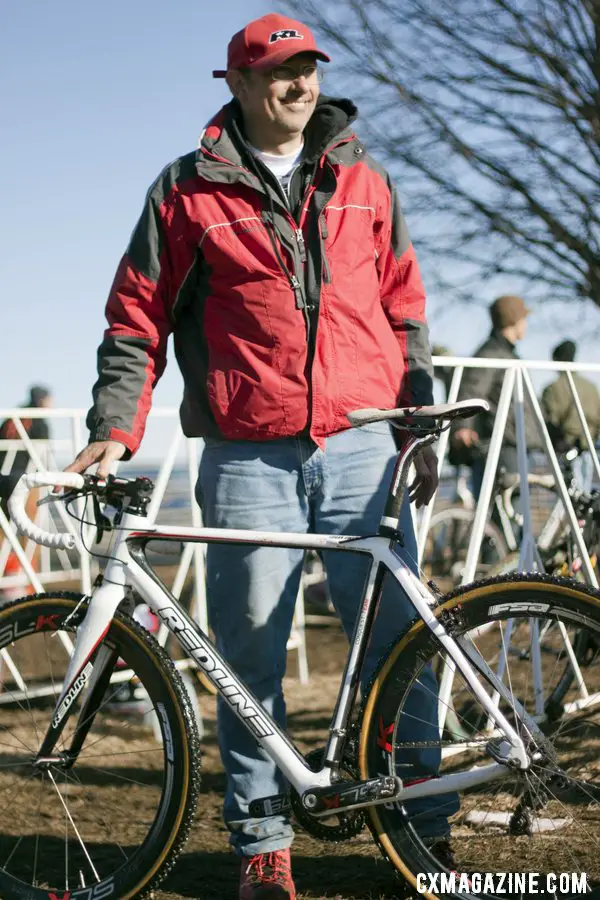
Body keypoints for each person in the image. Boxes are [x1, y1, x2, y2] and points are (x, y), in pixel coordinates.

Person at [63, 14, 457, 898]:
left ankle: (425, 828)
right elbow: (136, 319)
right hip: (248, 455)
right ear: (237, 84)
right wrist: (113, 426)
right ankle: (262, 846)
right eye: (280, 72)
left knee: (404, 642)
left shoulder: (366, 178)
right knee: (248, 658)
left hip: (365, 442)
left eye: (309, 69)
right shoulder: (184, 191)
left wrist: (417, 417)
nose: (300, 85)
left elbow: (405, 309)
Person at [451, 295, 540, 500]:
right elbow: (470, 390)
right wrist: (462, 427)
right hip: (503, 448)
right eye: (523, 318)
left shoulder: (506, 354)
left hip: (515, 445)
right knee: (506, 520)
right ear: (513, 320)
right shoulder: (491, 354)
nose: (526, 324)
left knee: (516, 518)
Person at [541, 340, 600, 494]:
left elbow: (549, 421)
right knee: (585, 496)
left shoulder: (553, 388)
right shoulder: (591, 387)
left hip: (565, 448)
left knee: (567, 497)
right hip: (589, 448)